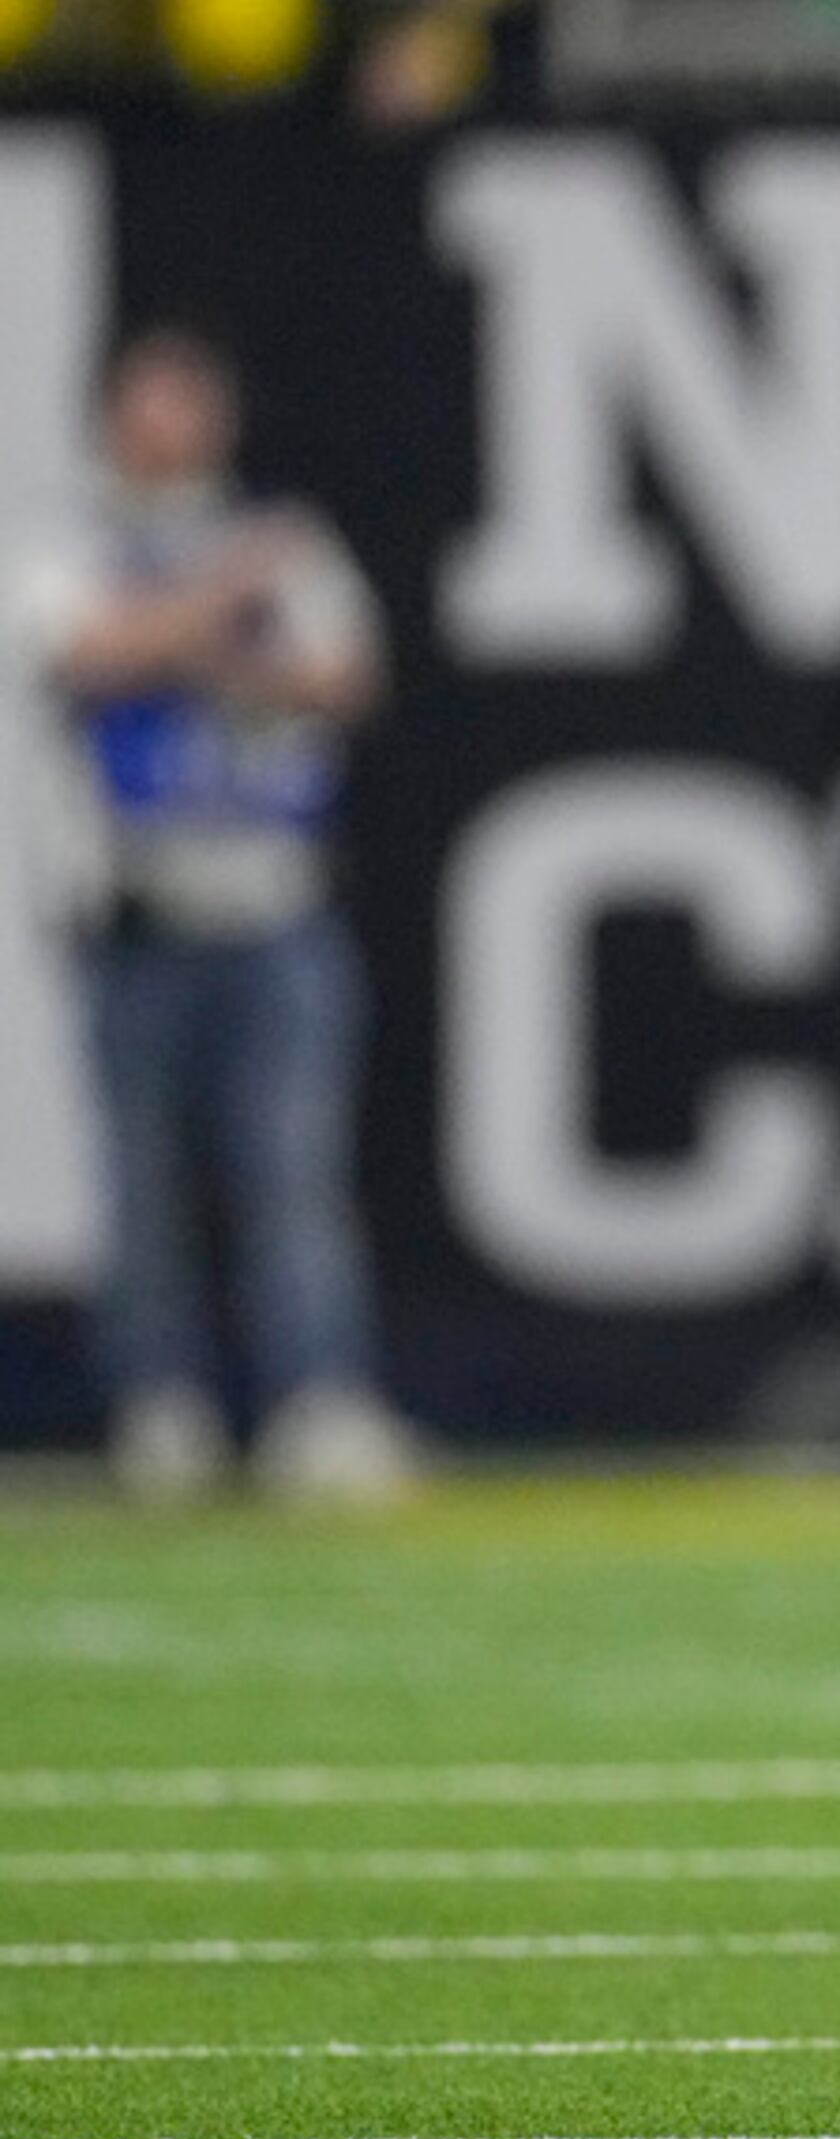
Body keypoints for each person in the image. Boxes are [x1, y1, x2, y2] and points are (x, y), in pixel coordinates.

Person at [20, 328, 408, 1504]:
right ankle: (163, 1406)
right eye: (152, 401)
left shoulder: (284, 541)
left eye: (191, 401)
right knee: (142, 1181)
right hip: (136, 909)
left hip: (271, 899)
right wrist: (219, 608)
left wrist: (192, 640)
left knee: (290, 1170)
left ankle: (316, 1399)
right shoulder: (70, 544)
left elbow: (340, 679)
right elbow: (91, 650)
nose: (172, 425)